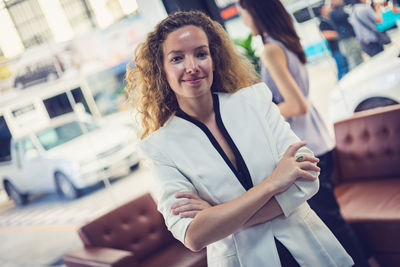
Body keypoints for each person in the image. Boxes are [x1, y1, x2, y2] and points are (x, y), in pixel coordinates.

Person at [127, 10, 354, 267]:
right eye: (177, 58)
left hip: (311, 250)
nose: (192, 67)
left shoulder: (255, 100)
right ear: (162, 69)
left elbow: (307, 181)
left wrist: (218, 214)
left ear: (214, 58)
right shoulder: (159, 146)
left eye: (201, 53)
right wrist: (273, 183)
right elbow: (194, 235)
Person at [237, 0, 371, 266]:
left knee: (330, 223)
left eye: (243, 14)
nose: (243, 22)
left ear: (255, 13)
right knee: (333, 219)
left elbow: (295, 104)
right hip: (319, 138)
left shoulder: (271, 50)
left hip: (304, 147)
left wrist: (258, 114)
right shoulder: (287, 41)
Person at [330, 0, 364, 69]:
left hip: (352, 37)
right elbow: (343, 16)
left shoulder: (343, 8)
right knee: (353, 60)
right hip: (346, 40)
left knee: (359, 57)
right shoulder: (333, 13)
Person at [319, 4, 349, 80]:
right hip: (336, 50)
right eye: (326, 9)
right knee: (342, 68)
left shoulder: (332, 19)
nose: (328, 10)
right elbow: (326, 35)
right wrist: (339, 34)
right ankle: (340, 82)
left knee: (347, 66)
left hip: (342, 46)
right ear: (322, 11)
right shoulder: (322, 23)